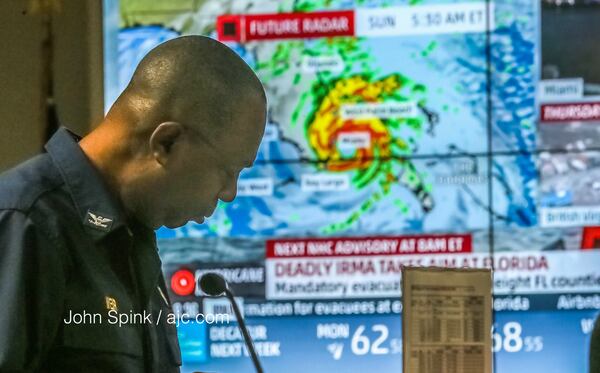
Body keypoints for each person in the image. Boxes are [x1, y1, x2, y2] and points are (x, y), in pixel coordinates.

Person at [0, 35, 267, 372]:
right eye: (228, 170)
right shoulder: (26, 223)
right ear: (166, 143)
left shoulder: (131, 237)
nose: (230, 192)